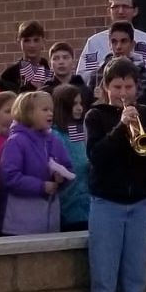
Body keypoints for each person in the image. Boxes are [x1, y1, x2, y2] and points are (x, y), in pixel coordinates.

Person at [83, 58, 146, 292]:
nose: (123, 93)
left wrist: (139, 128)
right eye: (117, 87)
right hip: (107, 204)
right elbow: (97, 157)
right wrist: (120, 128)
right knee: (104, 280)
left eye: (129, 87)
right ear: (106, 87)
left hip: (139, 203)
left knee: (135, 280)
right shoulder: (96, 116)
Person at [0, 91, 73, 235]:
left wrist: (62, 178)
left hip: (50, 222)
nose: (50, 114)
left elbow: (68, 167)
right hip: (21, 223)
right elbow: (9, 177)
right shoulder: (16, 141)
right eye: (45, 110)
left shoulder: (54, 140)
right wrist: (41, 187)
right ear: (28, 113)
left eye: (51, 110)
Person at [78, 0, 146, 84]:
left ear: (135, 11)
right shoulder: (94, 42)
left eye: (125, 7)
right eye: (115, 7)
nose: (120, 11)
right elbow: (83, 76)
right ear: (108, 11)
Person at [51, 85, 92, 233]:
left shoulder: (82, 130)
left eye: (81, 103)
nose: (79, 108)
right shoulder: (54, 135)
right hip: (68, 205)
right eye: (74, 104)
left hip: (88, 203)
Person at [0, 21, 53, 92]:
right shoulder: (9, 75)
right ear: (19, 43)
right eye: (26, 41)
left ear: (43, 42)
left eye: (36, 40)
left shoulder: (51, 73)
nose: (32, 45)